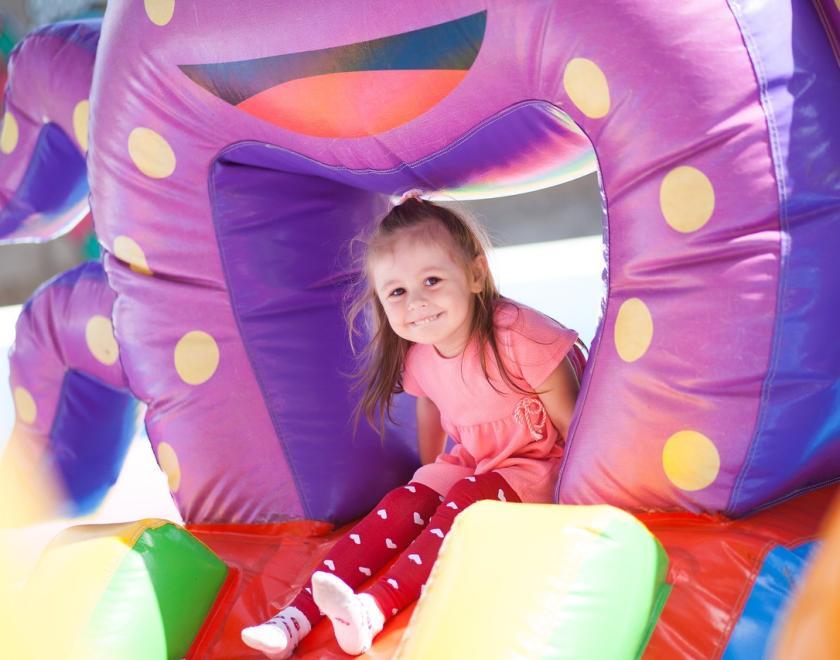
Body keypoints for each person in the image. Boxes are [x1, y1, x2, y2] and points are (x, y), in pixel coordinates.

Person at [241, 192, 586, 657]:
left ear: (476, 275)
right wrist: (429, 479)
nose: (417, 303)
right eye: (398, 292)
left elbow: (576, 427)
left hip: (540, 467)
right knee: (406, 502)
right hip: (479, 464)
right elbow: (432, 408)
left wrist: (585, 507)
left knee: (464, 498)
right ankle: (296, 616)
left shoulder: (521, 338)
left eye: (431, 280)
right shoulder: (420, 355)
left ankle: (373, 609)